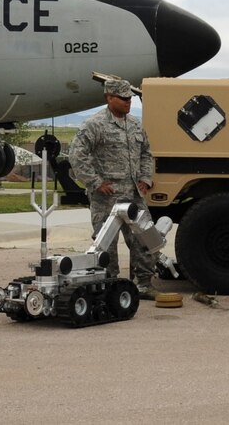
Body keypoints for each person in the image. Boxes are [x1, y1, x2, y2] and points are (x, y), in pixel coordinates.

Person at [68, 79, 161, 299]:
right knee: (106, 244)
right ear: (109, 98)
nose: (128, 102)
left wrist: (146, 178)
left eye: (130, 98)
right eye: (124, 98)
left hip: (134, 195)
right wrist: (95, 182)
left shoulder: (135, 124)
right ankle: (110, 285)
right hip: (107, 198)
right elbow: (76, 155)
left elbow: (146, 152)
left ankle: (145, 283)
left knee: (146, 238)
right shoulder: (95, 124)